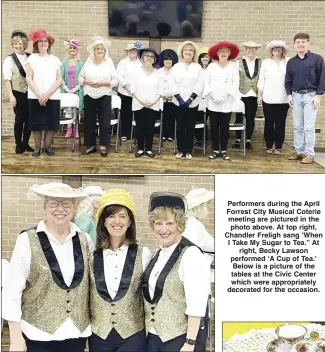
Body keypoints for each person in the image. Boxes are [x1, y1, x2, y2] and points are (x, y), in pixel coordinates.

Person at [2, 182, 93, 352]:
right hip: (38, 334)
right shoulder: (27, 240)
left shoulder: (85, 239)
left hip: (76, 334)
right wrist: (15, 338)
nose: (60, 209)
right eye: (53, 203)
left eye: (66, 204)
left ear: (74, 208)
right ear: (44, 207)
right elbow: (11, 291)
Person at [143, 192, 210, 352]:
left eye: (169, 223)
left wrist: (190, 343)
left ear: (179, 225)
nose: (163, 229)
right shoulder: (156, 254)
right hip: (152, 337)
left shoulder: (191, 254)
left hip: (178, 340)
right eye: (158, 223)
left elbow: (196, 304)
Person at [89, 189, 151, 352]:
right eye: (111, 216)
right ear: (103, 221)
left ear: (130, 221)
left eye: (122, 216)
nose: (117, 221)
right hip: (99, 335)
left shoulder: (143, 254)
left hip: (133, 336)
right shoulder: (91, 256)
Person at [285, 32, 325, 164]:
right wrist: (289, 95)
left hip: (311, 96)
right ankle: (299, 151)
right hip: (296, 96)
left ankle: (309, 154)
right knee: (297, 126)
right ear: (295, 44)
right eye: (298, 42)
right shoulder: (291, 62)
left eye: (303, 42)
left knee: (308, 127)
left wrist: (318, 96)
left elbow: (322, 78)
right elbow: (288, 80)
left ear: (308, 43)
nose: (301, 44)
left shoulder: (317, 59)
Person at [79, 36, 118, 157]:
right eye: (98, 49)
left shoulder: (109, 62)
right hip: (89, 94)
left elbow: (115, 81)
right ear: (93, 51)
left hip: (104, 95)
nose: (100, 51)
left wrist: (104, 83)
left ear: (105, 51)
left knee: (104, 122)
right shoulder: (88, 62)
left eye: (102, 49)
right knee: (89, 122)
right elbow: (80, 78)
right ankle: (90, 146)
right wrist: (86, 82)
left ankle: (103, 146)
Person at [26, 29, 62, 157]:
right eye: (40, 41)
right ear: (36, 44)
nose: (43, 43)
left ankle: (47, 147)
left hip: (52, 96)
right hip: (34, 96)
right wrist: (39, 95)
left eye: (45, 41)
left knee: (50, 124)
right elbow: (29, 78)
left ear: (49, 43)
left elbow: (59, 79)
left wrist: (47, 94)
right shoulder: (31, 58)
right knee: (36, 124)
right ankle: (37, 148)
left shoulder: (55, 59)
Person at [204, 41, 240, 160]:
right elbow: (206, 83)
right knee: (214, 127)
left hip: (227, 102)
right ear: (217, 53)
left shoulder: (233, 67)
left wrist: (226, 95)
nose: (224, 53)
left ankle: (224, 150)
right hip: (212, 101)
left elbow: (235, 84)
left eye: (226, 51)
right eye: (221, 51)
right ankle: (214, 150)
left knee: (224, 127)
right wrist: (212, 95)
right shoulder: (211, 66)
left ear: (229, 54)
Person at [3, 30, 33, 154]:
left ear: (24, 43)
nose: (17, 46)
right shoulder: (9, 59)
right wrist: (11, 96)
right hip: (17, 93)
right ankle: (18, 144)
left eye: (20, 43)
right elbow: (7, 79)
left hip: (30, 93)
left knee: (29, 120)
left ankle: (26, 143)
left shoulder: (30, 57)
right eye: (15, 44)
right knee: (19, 119)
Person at [257, 40, 290, 155]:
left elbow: (291, 79)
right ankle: (269, 146)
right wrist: (259, 95)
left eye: (279, 48)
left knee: (281, 123)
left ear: (283, 50)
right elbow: (261, 80)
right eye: (274, 48)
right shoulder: (266, 62)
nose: (277, 50)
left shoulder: (288, 61)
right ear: (271, 51)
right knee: (269, 122)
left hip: (284, 98)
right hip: (268, 98)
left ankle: (279, 146)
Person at [172, 41, 203, 159]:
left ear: (194, 53)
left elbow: (199, 85)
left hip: (193, 102)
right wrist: (179, 99)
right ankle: (180, 150)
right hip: (178, 102)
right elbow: (172, 84)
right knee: (180, 126)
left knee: (190, 126)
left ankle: (189, 150)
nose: (188, 52)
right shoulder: (176, 66)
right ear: (182, 52)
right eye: (186, 50)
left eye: (191, 50)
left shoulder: (198, 67)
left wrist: (190, 99)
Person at [129, 48, 162, 158]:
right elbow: (132, 89)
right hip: (139, 104)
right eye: (146, 56)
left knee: (150, 128)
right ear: (142, 58)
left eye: (151, 56)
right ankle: (140, 148)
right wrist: (141, 101)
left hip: (153, 105)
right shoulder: (135, 72)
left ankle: (148, 149)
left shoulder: (158, 73)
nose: (149, 58)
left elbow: (160, 90)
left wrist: (152, 102)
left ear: (154, 59)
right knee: (140, 127)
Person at [233, 41, 262, 151]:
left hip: (253, 94)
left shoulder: (260, 62)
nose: (251, 50)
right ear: (245, 50)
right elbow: (235, 79)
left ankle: (248, 139)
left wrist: (260, 95)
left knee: (250, 118)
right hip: (241, 94)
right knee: (239, 117)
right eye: (249, 48)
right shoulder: (238, 62)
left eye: (253, 49)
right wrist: (235, 95)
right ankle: (238, 139)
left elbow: (261, 79)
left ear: (256, 50)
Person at [116, 41, 143, 142]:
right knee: (125, 114)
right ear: (127, 52)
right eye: (130, 50)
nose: (132, 52)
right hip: (124, 92)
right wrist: (128, 88)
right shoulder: (123, 62)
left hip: (137, 94)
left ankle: (135, 133)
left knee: (136, 114)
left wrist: (135, 90)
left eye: (134, 50)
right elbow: (119, 76)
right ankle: (125, 133)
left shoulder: (141, 63)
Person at [61, 39, 84, 139]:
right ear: (68, 50)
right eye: (70, 48)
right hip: (66, 89)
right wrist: (65, 87)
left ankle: (76, 129)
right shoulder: (64, 62)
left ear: (77, 50)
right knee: (68, 109)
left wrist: (77, 88)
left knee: (77, 110)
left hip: (77, 89)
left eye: (74, 48)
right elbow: (60, 77)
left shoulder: (81, 63)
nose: (72, 49)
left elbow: (83, 77)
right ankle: (69, 129)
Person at [183, 188, 214, 256]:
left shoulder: (191, 222)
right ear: (199, 206)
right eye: (208, 203)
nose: (210, 206)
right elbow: (193, 252)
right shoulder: (192, 225)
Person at [158, 49, 178, 142]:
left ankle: (170, 135)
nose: (168, 61)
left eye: (170, 59)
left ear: (172, 61)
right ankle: (163, 134)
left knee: (171, 118)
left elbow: (177, 85)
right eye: (166, 59)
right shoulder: (159, 72)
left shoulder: (176, 71)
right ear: (163, 61)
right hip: (161, 99)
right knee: (162, 117)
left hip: (173, 99)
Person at [195, 47, 211, 147]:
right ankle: (199, 139)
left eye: (207, 57)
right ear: (200, 58)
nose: (205, 59)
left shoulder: (213, 68)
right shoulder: (196, 68)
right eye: (203, 57)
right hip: (198, 98)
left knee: (208, 119)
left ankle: (207, 140)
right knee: (199, 120)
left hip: (210, 98)